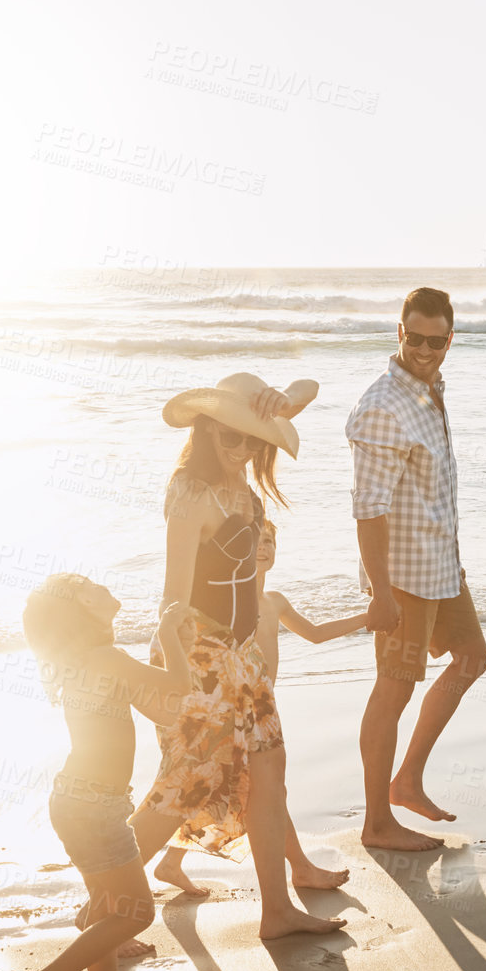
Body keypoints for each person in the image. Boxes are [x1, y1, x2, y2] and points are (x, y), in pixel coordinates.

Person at [126, 372, 360, 940]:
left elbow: (310, 386)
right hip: (199, 653)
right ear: (205, 430)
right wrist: (175, 672)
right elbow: (173, 597)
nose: (241, 451)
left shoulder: (243, 491)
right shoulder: (191, 492)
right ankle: (110, 899)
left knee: (269, 777)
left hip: (242, 657)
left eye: (253, 442)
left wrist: (279, 404)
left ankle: (276, 913)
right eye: (231, 438)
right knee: (185, 783)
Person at [9, 574, 193, 971]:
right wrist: (168, 635)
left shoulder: (81, 663)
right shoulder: (106, 658)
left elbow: (166, 712)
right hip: (95, 808)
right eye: (86, 586)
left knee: (107, 911)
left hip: (77, 801)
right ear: (80, 610)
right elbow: (178, 689)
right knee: (135, 913)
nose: (100, 586)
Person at [347, 287, 486, 852]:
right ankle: (376, 822)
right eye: (415, 338)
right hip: (403, 577)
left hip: (440, 564)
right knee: (394, 689)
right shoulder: (385, 406)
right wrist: (381, 595)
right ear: (398, 331)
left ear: (450, 339)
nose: (425, 350)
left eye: (437, 340)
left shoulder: (429, 390)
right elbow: (368, 509)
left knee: (473, 658)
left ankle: (407, 780)